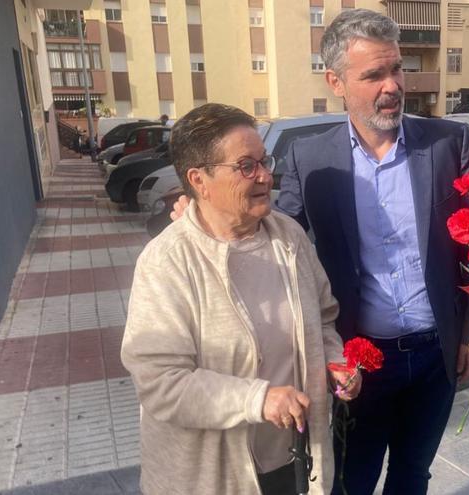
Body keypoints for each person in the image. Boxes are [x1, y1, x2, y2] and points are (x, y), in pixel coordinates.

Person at [275, 9, 469, 494]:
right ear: (336, 81)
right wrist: (202, 215)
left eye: (397, 69)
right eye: (373, 75)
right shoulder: (311, 159)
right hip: (361, 363)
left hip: (437, 356)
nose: (392, 86)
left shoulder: (449, 143)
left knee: (413, 475)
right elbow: (274, 237)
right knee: (354, 479)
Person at [121, 103, 359, 495]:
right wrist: (258, 398)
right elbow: (160, 382)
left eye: (264, 161)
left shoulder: (289, 237)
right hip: (211, 477)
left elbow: (324, 316)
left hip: (295, 461)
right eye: (246, 166)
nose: (265, 175)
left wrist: (337, 364)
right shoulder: (166, 263)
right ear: (199, 180)